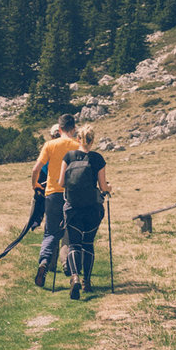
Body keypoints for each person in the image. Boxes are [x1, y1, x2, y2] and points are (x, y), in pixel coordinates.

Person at [58, 126, 110, 300]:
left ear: (78, 139)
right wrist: (108, 188)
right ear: (92, 140)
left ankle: (75, 278)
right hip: (92, 208)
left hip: (73, 208)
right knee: (88, 243)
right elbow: (103, 187)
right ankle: (87, 281)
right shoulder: (97, 159)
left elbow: (61, 182)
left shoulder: (69, 157)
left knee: (74, 244)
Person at [31, 113, 81, 287]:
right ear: (74, 129)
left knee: (51, 233)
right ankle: (73, 272)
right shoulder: (78, 145)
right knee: (73, 233)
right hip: (73, 195)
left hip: (52, 193)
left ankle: (44, 263)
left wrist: (35, 185)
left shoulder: (49, 145)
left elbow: (35, 169)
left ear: (59, 129)